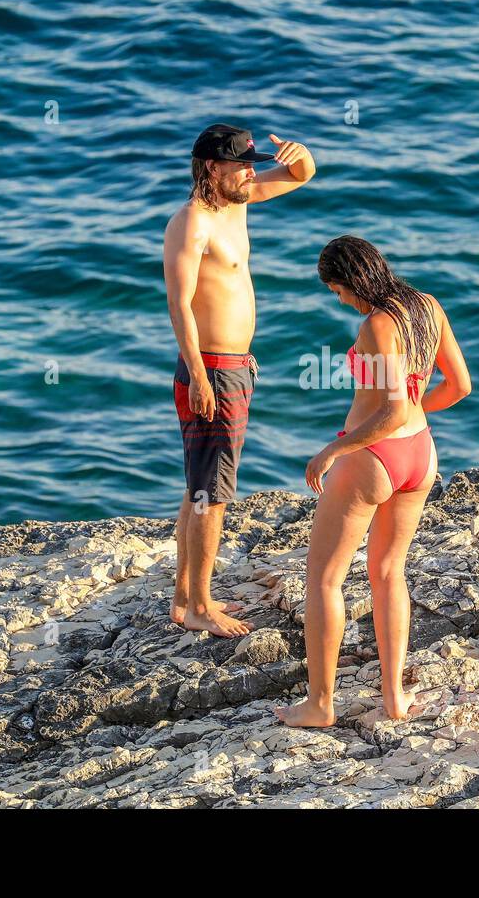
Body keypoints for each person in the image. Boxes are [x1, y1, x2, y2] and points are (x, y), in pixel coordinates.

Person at [275, 235, 471, 727]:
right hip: (420, 454)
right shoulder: (427, 306)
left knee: (324, 579)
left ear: (351, 281)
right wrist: (409, 424)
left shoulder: (378, 324)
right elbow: (459, 385)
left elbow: (389, 409)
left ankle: (320, 704)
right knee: (388, 573)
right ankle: (394, 699)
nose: (339, 299)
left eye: (337, 290)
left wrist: (333, 449)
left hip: (373, 459)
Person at [163, 123, 316, 637]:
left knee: (198, 487)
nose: (252, 171)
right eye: (242, 163)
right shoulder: (192, 222)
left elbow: (300, 175)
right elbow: (180, 305)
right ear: (212, 167)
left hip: (234, 367)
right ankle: (202, 607)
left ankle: (185, 598)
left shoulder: (238, 202)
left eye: (254, 162)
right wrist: (202, 378)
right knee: (212, 492)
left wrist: (298, 154)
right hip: (212, 369)